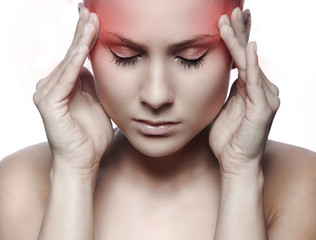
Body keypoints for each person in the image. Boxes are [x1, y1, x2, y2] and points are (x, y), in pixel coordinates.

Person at [0, 0, 315, 239]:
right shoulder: (21, 185)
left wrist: (242, 176)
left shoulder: (298, 183)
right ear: (86, 35)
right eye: (125, 55)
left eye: (190, 57)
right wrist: (72, 175)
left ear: (240, 40)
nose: (155, 95)